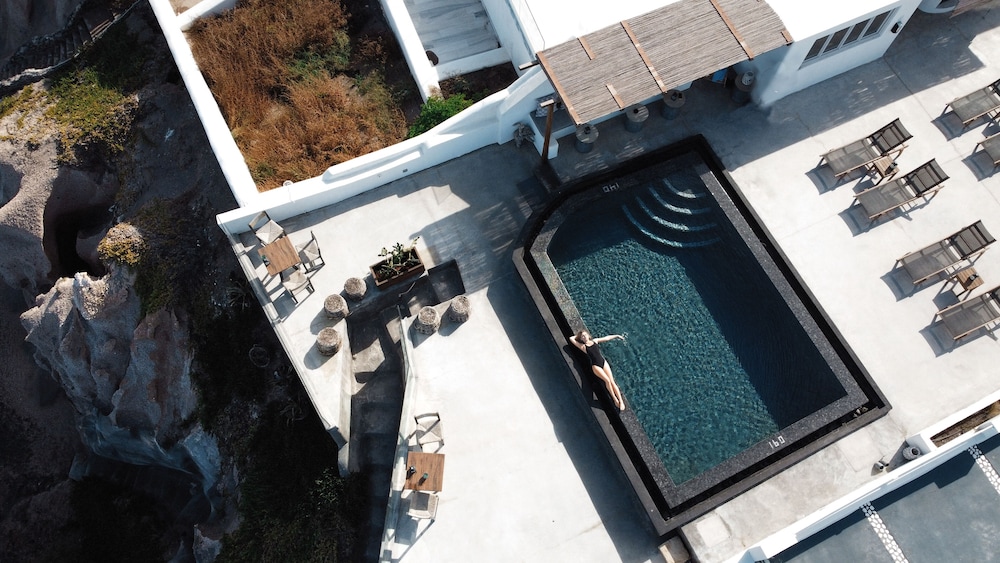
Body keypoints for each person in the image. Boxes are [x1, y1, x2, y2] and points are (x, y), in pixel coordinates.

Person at [569, 329, 626, 411]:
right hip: (596, 366)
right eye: (582, 337)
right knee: (607, 381)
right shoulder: (583, 347)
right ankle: (615, 399)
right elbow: (571, 338)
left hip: (603, 362)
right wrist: (578, 336)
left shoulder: (595, 341)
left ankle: (621, 401)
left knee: (612, 381)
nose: (584, 337)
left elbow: (606, 338)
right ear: (581, 339)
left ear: (588, 335)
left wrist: (617, 336)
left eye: (585, 335)